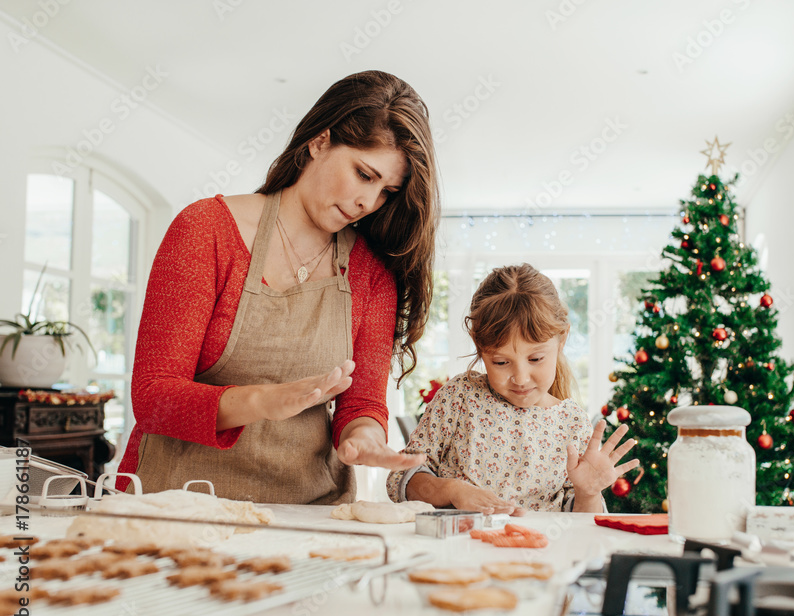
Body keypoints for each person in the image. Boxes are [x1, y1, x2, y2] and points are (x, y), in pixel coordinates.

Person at [115, 70, 438, 504]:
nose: (370, 202)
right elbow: (152, 398)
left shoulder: (372, 274)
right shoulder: (207, 230)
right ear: (320, 141)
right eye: (364, 174)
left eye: (387, 191)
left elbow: (361, 402)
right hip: (177, 504)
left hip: (308, 515)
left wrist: (366, 436)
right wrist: (263, 402)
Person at [387, 264, 638, 513]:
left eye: (535, 359)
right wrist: (451, 491)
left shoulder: (572, 423)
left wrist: (588, 492)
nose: (520, 378)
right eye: (501, 362)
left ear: (561, 340)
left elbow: (578, 526)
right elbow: (402, 477)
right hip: (459, 551)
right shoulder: (460, 397)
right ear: (478, 346)